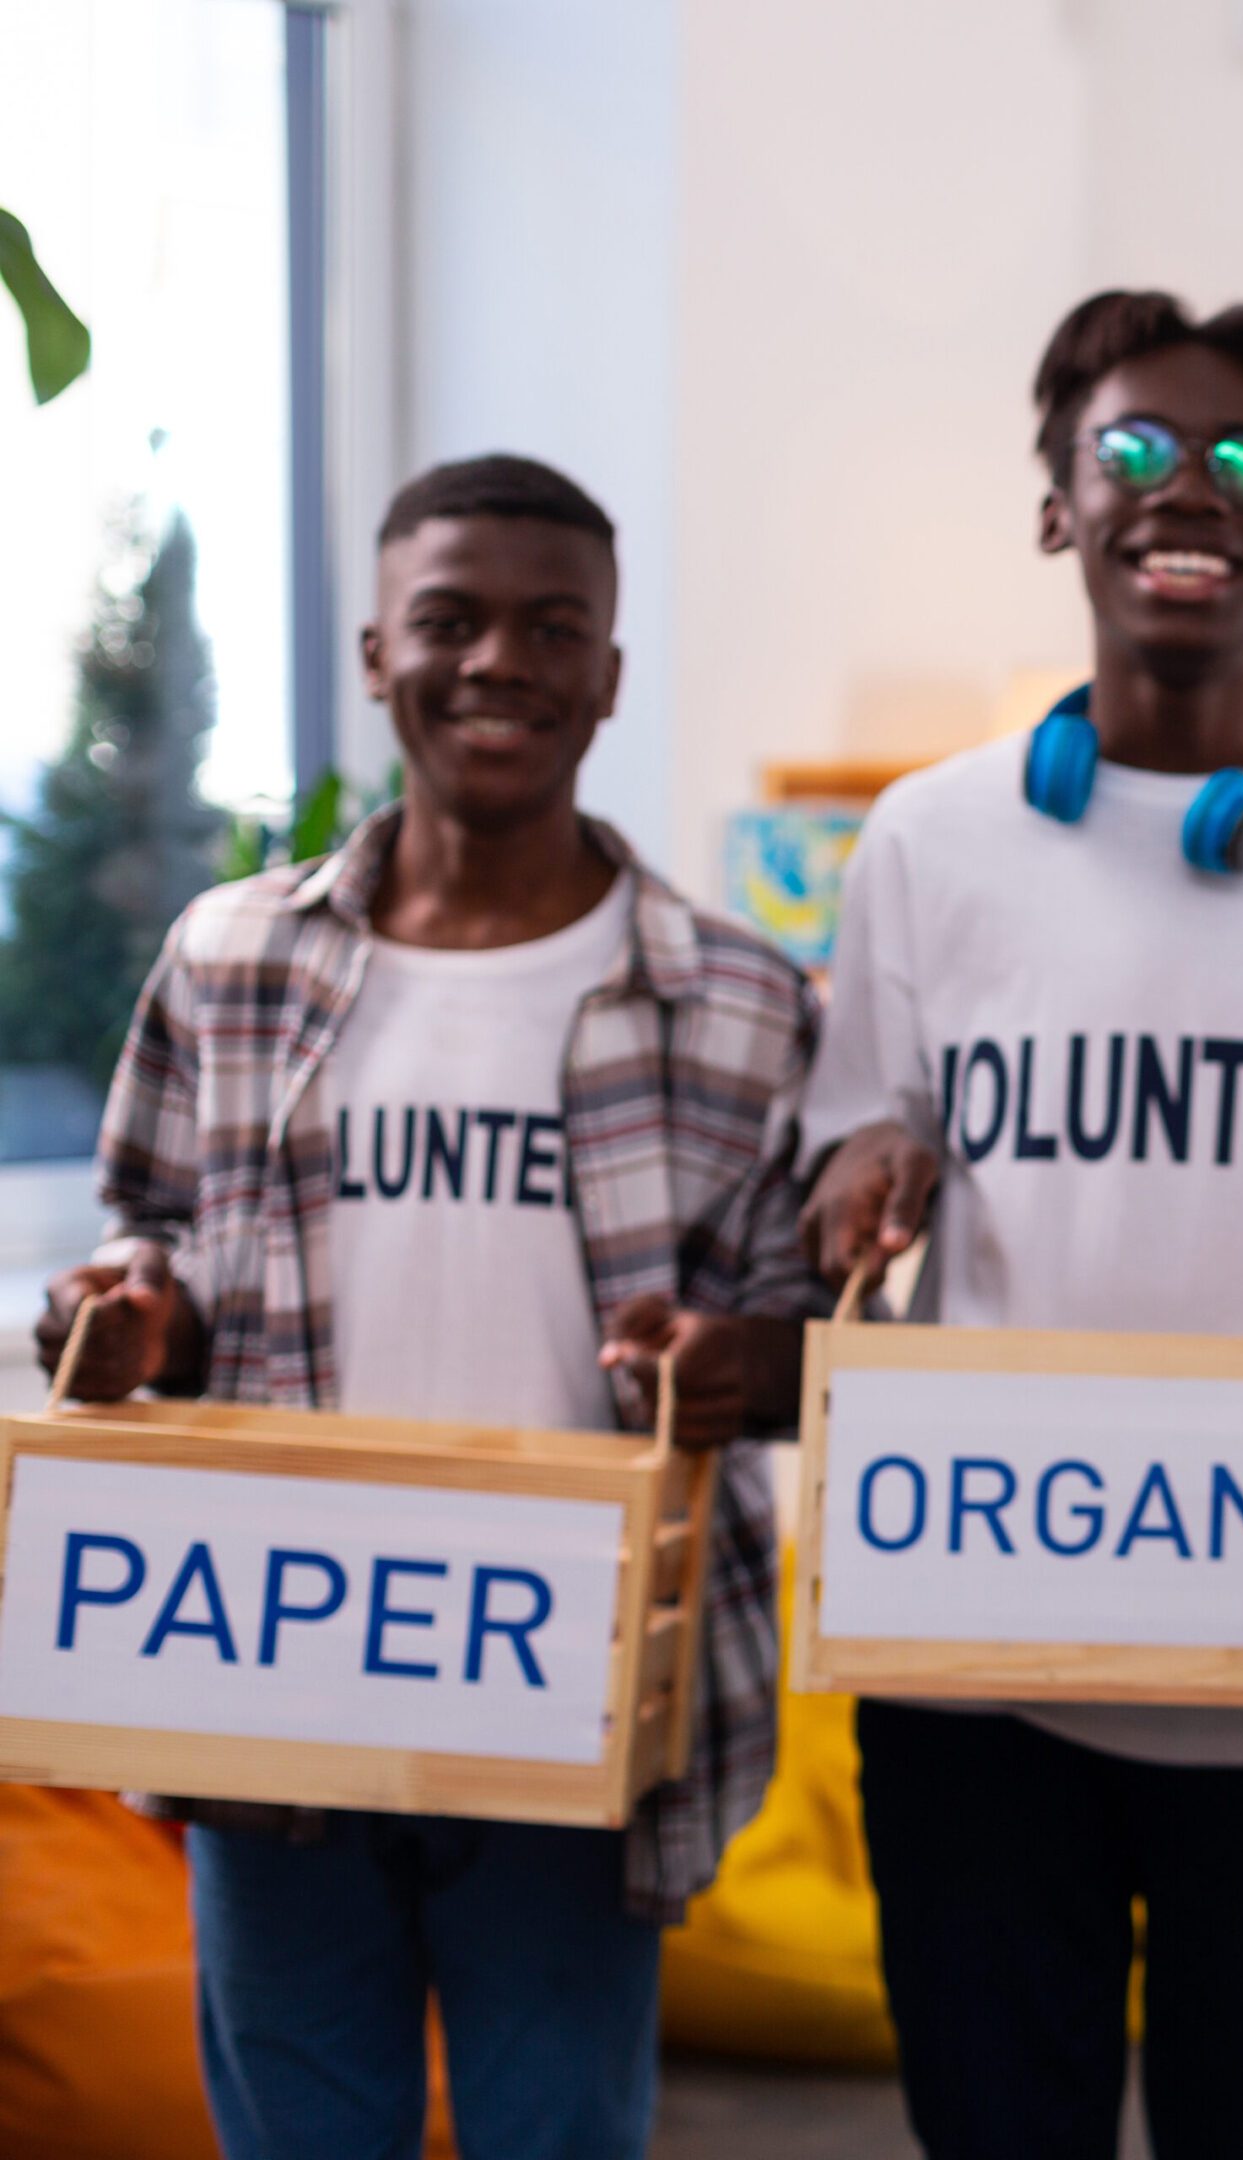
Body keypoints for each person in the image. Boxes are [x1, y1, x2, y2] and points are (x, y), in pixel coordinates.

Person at [794, 289, 1243, 2160]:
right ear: (1059, 510)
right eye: (1129, 450)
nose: (1185, 486)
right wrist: (863, 1178)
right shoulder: (926, 842)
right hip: (982, 1676)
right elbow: (851, 1149)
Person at [31, 454, 820, 2160]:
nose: (499, 665)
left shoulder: (742, 1001)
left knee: (556, 2133)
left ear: (610, 675)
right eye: (449, 623)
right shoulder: (228, 956)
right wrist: (128, 1316)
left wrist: (730, 1361)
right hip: (274, 1682)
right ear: (379, 648)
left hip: (572, 1696)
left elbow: (793, 1335)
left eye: (554, 629)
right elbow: (151, 1236)